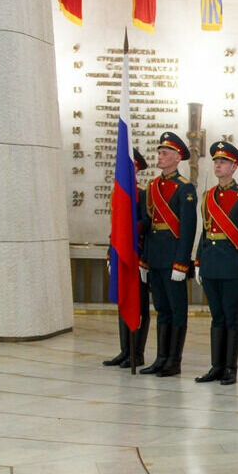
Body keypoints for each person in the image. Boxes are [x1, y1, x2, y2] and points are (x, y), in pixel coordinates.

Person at [194, 141, 238, 386]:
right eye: (216, 161)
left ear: (233, 167)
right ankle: (216, 366)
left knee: (232, 317)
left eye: (223, 162)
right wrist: (199, 260)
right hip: (211, 264)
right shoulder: (207, 196)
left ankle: (230, 367)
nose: (218, 165)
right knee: (216, 317)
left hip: (232, 265)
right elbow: (205, 231)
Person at [139, 132, 197, 377]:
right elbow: (148, 223)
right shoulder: (152, 186)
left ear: (176, 158)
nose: (160, 157)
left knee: (176, 309)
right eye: (159, 153)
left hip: (174, 258)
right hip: (156, 256)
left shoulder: (185, 188)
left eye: (165, 154)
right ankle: (160, 358)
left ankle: (174, 361)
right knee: (161, 308)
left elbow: (187, 228)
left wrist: (181, 262)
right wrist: (144, 258)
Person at [103, 149, 152, 369]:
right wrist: (110, 252)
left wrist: (138, 251)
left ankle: (137, 352)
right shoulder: (118, 193)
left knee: (139, 305)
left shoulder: (141, 194)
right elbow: (115, 228)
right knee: (123, 301)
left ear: (136, 168)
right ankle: (125, 350)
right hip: (120, 255)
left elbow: (147, 223)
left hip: (136, 256)